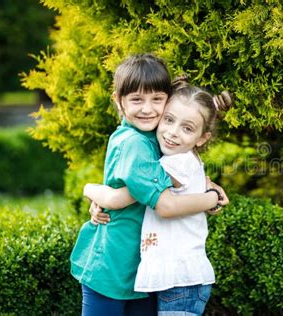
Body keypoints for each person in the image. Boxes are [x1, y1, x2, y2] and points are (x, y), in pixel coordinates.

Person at [70, 54, 228, 316]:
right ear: (119, 102)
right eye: (137, 100)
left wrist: (204, 183)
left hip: (141, 269)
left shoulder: (155, 136)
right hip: (114, 265)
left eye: (157, 99)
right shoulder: (136, 143)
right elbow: (149, 201)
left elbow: (177, 173)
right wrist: (211, 197)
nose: (148, 109)